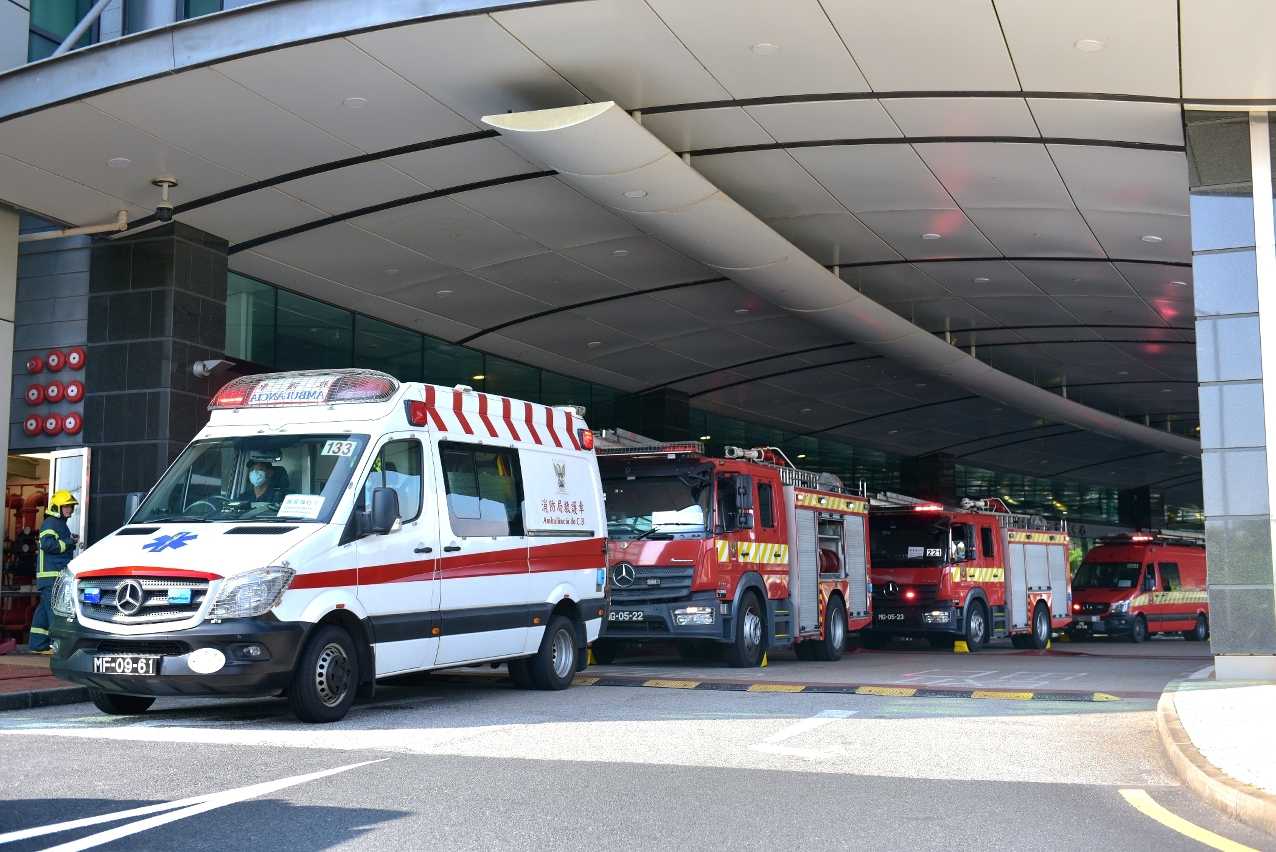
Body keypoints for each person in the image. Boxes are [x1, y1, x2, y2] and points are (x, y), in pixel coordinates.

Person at [31, 490, 78, 654]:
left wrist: (69, 541)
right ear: (57, 507)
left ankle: (38, 645)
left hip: (51, 576)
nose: (69, 509)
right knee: (55, 612)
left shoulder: (58, 523)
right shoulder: (51, 523)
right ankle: (59, 647)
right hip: (52, 576)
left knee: (44, 611)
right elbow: (48, 544)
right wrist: (69, 541)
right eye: (66, 506)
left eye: (71, 506)